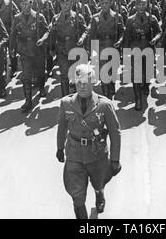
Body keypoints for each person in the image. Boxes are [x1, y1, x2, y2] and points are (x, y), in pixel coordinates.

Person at [56, 64, 122, 219]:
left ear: (93, 82)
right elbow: (62, 127)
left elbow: (115, 132)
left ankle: (99, 194)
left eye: (86, 82)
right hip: (74, 155)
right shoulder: (66, 103)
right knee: (77, 196)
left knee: (98, 182)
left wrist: (115, 160)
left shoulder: (104, 105)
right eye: (79, 83)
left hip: (96, 154)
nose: (82, 86)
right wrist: (59, 148)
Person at [10, 0, 49, 113]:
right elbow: (13, 34)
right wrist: (12, 48)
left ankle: (41, 87)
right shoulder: (17, 18)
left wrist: (42, 39)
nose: (24, 6)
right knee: (26, 76)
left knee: (40, 71)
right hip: (24, 50)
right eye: (22, 4)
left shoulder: (39, 16)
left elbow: (47, 30)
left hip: (37, 49)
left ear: (31, 4)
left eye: (26, 4)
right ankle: (28, 100)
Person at [123, 0, 162, 111]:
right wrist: (125, 53)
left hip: (148, 48)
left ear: (146, 6)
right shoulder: (130, 20)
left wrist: (155, 39)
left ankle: (146, 85)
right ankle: (138, 100)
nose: (141, 7)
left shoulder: (152, 18)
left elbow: (159, 32)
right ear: (135, 6)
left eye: (143, 5)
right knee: (136, 76)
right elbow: (126, 37)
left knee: (147, 72)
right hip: (135, 49)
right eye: (138, 5)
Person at [49, 0, 88, 97]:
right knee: (64, 75)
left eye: (67, 3)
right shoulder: (55, 18)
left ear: (71, 4)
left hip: (75, 47)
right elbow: (53, 34)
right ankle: (65, 97)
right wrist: (52, 48)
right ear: (60, 5)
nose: (65, 6)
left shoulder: (77, 16)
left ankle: (77, 96)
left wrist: (82, 38)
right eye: (63, 3)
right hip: (62, 49)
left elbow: (85, 30)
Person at [88, 0, 124, 99]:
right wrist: (91, 52)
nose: (104, 5)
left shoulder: (117, 16)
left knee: (113, 69)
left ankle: (112, 86)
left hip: (113, 46)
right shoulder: (95, 18)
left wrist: (119, 41)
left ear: (111, 3)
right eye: (102, 3)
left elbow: (122, 32)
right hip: (101, 47)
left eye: (106, 3)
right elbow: (92, 36)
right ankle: (106, 95)